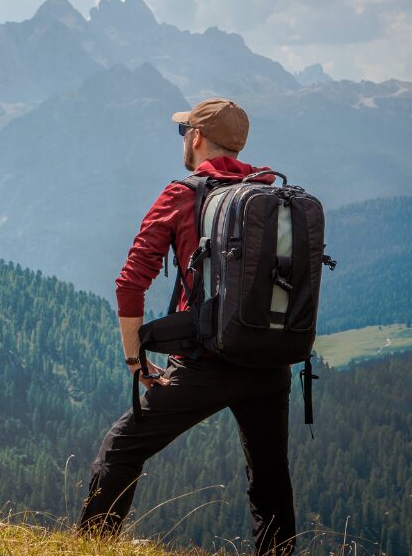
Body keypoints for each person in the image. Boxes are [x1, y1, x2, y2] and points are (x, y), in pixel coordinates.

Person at [77, 98, 296, 555]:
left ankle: (90, 548)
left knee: (120, 448)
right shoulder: (271, 192)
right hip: (270, 359)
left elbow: (131, 280)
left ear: (196, 137)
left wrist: (136, 357)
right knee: (269, 479)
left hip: (206, 361)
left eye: (184, 132)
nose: (183, 139)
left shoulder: (183, 194)